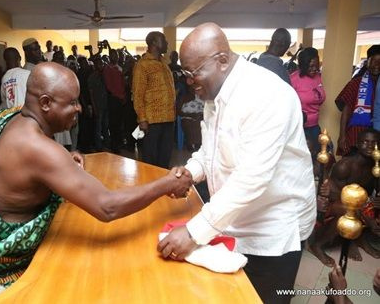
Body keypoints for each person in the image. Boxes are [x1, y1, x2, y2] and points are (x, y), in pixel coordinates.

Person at [0, 62, 192, 299]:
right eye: (72, 102)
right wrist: (166, 184)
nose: (79, 109)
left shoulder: (10, 117)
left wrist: (63, 162)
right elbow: (107, 207)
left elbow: (29, 170)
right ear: (45, 103)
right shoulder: (39, 149)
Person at [157, 23, 316, 304]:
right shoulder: (213, 94)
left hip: (272, 230)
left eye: (193, 73)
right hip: (231, 220)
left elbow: (251, 178)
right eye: (185, 73)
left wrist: (194, 232)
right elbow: (212, 151)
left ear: (221, 60)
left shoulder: (267, 95)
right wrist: (190, 173)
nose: (189, 81)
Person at [307, 129, 380, 266]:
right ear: (357, 144)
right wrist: (364, 216)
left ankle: (358, 239)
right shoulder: (345, 166)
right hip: (334, 204)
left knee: (372, 207)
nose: (369, 146)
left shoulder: (375, 166)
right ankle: (316, 245)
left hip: (358, 202)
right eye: (365, 142)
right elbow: (333, 195)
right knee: (349, 210)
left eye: (374, 143)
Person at [133, 31, 176, 168]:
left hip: (169, 118)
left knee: (165, 158)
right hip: (152, 120)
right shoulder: (143, 65)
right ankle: (150, 187)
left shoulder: (164, 63)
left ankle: (163, 187)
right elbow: (138, 94)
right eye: (164, 39)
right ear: (154, 43)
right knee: (151, 160)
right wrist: (142, 119)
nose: (167, 43)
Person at [336, 45, 380, 156]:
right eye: (374, 61)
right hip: (356, 134)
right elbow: (346, 111)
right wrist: (342, 136)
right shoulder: (356, 83)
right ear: (367, 62)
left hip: (376, 135)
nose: (377, 65)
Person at [290, 47, 326, 153]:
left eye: (317, 65)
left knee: (315, 155)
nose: (314, 69)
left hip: (315, 126)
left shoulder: (319, 77)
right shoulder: (293, 79)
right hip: (299, 127)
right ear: (303, 65)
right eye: (311, 66)